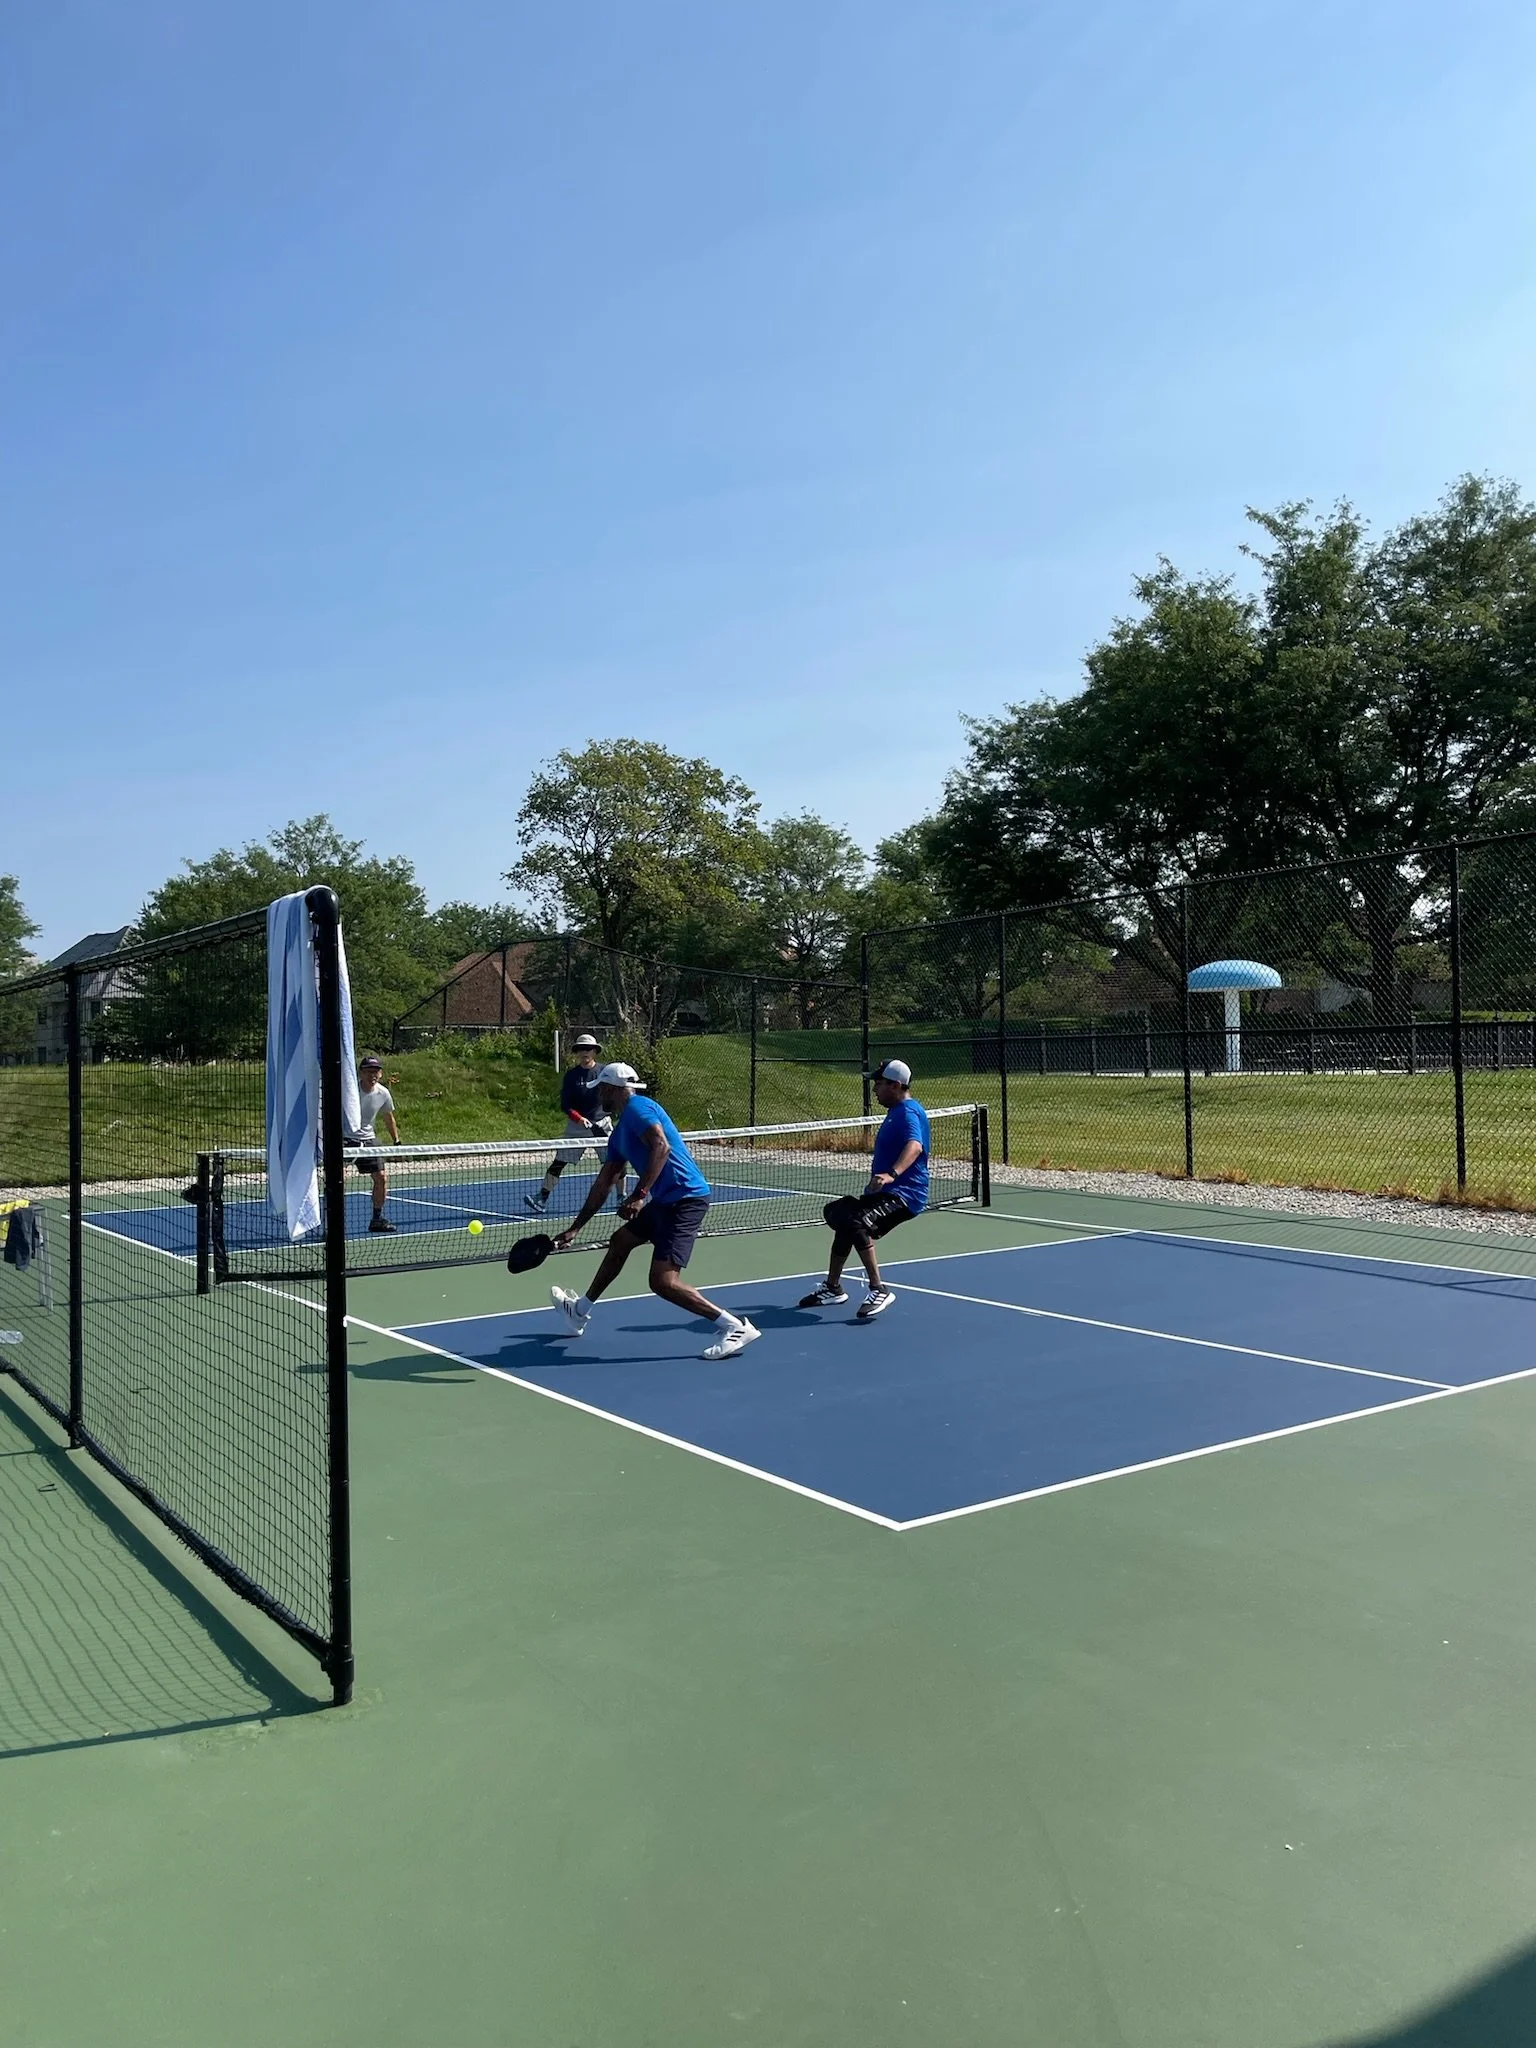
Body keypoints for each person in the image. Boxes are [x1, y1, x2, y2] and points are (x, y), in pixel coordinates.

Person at [547, 1062, 760, 1360]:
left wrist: (639, 1195)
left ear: (611, 1089)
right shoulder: (619, 1134)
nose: (599, 1097)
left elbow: (661, 1146)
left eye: (601, 1090)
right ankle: (578, 1312)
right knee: (621, 1241)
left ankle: (734, 1326)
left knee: (663, 1282)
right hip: (665, 1202)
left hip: (686, 1199)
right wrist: (576, 1228)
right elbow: (604, 1182)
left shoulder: (639, 1108)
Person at [798, 1058, 929, 1319]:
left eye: (879, 1084)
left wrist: (891, 1174)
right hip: (887, 1193)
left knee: (857, 1222)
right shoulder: (896, 1112)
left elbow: (915, 1146)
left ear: (895, 1085)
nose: (875, 1089)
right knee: (843, 1215)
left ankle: (878, 1289)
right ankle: (833, 1288)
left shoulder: (907, 1113)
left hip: (906, 1195)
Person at [523, 1033, 621, 1214]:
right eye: (581, 1049)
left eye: (588, 1049)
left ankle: (621, 1196)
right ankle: (541, 1198)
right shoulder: (571, 1076)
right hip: (577, 1126)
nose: (585, 1052)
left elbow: (615, 1094)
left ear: (594, 1052)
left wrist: (612, 1113)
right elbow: (565, 1105)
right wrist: (578, 1118)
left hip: (602, 1125)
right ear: (577, 1052)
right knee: (559, 1162)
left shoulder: (605, 1072)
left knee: (616, 1160)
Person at [349, 1054, 401, 1234]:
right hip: (345, 1139)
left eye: (376, 1071)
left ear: (381, 1074)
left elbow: (388, 1117)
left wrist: (397, 1141)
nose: (372, 1075)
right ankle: (330, 1222)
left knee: (381, 1178)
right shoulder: (349, 1091)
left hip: (369, 1140)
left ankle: (377, 1219)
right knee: (337, 1180)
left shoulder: (383, 1093)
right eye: (368, 1071)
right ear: (361, 1073)